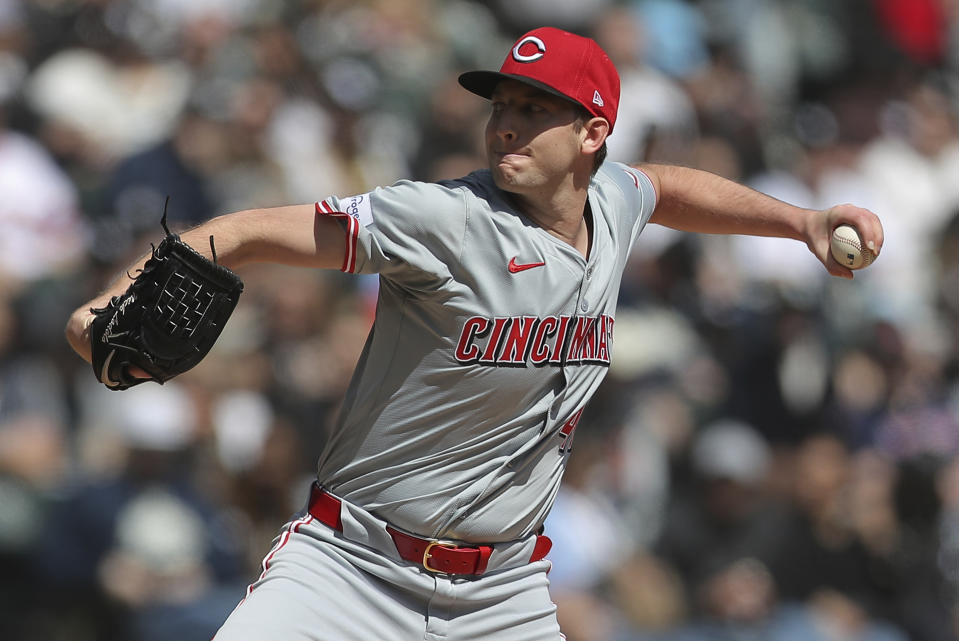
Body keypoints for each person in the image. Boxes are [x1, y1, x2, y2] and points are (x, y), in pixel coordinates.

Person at [65, 26, 883, 641]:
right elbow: (244, 232)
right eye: (502, 107)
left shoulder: (614, 204)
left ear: (593, 134)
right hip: (350, 568)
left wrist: (800, 220)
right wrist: (109, 300)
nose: (506, 127)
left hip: (502, 596)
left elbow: (662, 187)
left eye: (535, 110)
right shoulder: (442, 218)